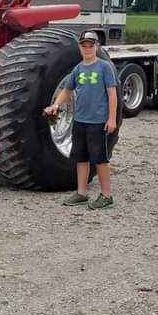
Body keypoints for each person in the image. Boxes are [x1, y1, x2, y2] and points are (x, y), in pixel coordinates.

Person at [44, 31, 120, 209]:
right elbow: (67, 90)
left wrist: (111, 118)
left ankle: (106, 195)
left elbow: (112, 94)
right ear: (79, 47)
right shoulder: (78, 69)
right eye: (84, 46)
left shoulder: (104, 67)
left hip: (98, 122)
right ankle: (81, 193)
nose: (87, 49)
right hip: (80, 121)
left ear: (97, 47)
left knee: (100, 159)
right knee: (81, 158)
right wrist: (56, 105)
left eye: (91, 45)